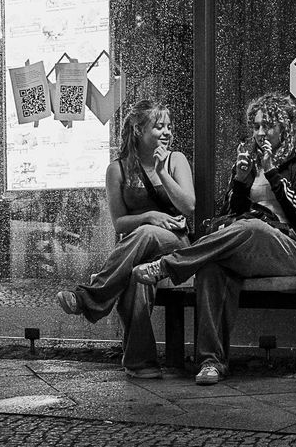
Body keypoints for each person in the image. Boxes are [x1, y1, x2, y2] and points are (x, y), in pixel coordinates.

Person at [134, 90, 296, 385]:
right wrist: (240, 179)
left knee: (253, 228)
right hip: (246, 247)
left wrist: (272, 173)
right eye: (256, 126)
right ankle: (211, 362)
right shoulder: (248, 161)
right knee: (211, 267)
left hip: (287, 248)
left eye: (268, 126)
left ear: (284, 127)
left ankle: (170, 265)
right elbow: (231, 212)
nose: (261, 133)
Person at [56, 99, 195, 378]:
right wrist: (148, 217)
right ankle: (140, 362)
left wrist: (163, 173)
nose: (166, 132)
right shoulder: (117, 169)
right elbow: (119, 222)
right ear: (137, 130)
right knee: (135, 276)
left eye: (169, 126)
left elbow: (189, 206)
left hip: (176, 246)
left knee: (145, 234)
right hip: (136, 250)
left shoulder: (176, 160)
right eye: (158, 127)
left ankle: (89, 297)